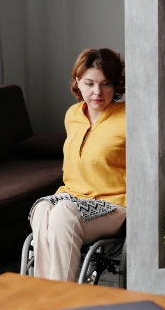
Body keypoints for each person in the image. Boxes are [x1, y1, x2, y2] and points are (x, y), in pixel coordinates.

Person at [29, 47, 126, 281]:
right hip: (71, 196)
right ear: (77, 82)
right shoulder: (72, 115)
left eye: (106, 84)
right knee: (42, 208)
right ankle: (46, 290)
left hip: (113, 203)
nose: (97, 92)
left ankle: (64, 294)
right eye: (89, 83)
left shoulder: (129, 117)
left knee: (63, 213)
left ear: (116, 85)